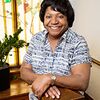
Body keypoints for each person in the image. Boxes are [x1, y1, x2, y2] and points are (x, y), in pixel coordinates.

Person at [20, 0, 91, 99]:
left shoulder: (78, 42)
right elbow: (24, 71)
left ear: (68, 19)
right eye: (49, 16)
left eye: (60, 16)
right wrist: (44, 81)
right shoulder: (36, 39)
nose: (54, 21)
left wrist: (50, 78)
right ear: (43, 19)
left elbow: (82, 82)